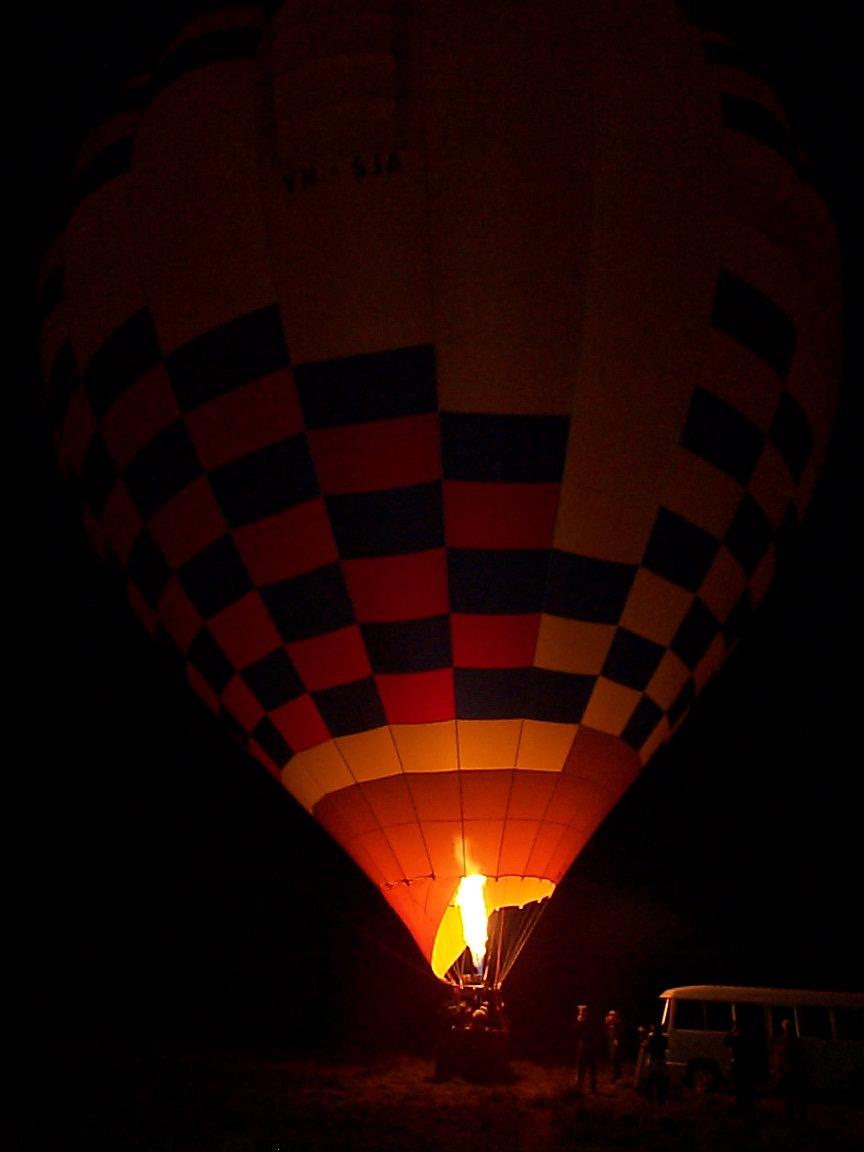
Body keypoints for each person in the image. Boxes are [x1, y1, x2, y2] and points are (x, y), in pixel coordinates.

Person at [772, 1018, 810, 1123]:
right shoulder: (796, 1041)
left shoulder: (782, 1041)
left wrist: (779, 1069)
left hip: (789, 1072)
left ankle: (792, 1116)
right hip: (793, 1072)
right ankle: (798, 1116)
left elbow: (778, 1057)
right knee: (796, 1096)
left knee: (790, 1096)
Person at [724, 1021, 757, 1115]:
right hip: (742, 1067)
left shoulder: (738, 1039)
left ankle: (744, 1108)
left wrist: (731, 1032)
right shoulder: (745, 1038)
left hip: (741, 1067)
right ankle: (746, 1108)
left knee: (742, 1089)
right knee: (743, 1089)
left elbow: (726, 1041)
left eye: (736, 1028)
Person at [572, 1004, 604, 1092]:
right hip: (582, 1045)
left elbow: (589, 1032)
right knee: (580, 1066)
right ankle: (579, 1084)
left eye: (582, 1011)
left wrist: (581, 1023)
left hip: (589, 1046)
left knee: (591, 1066)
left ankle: (592, 1085)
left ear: (585, 1012)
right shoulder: (580, 1021)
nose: (580, 1012)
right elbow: (575, 1032)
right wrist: (578, 1023)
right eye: (580, 1011)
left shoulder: (590, 1021)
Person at [641, 1022, 669, 1105]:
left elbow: (647, 1048)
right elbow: (667, 1047)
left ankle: (649, 1098)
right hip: (662, 1061)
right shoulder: (664, 1038)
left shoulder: (652, 1038)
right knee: (661, 1081)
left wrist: (644, 1043)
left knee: (650, 1080)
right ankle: (661, 1100)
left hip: (654, 1061)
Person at [605, 1009, 625, 1083]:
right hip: (611, 1043)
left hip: (616, 1043)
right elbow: (607, 1032)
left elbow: (619, 1032)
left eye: (612, 1015)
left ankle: (615, 1075)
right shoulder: (609, 1023)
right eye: (610, 1015)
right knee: (613, 1059)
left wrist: (617, 1039)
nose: (610, 1016)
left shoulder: (617, 1023)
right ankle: (617, 1075)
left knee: (615, 1059)